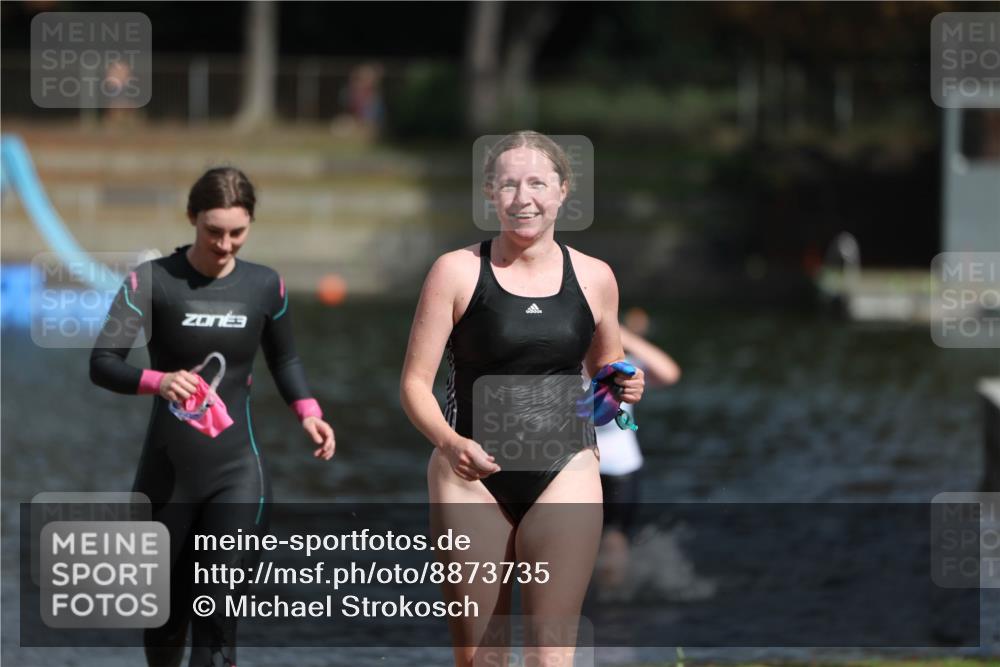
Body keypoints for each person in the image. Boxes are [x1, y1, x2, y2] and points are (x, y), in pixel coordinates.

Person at [400, 131, 644, 667]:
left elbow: (607, 376)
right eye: (508, 184)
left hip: (566, 468)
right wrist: (448, 441)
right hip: (469, 474)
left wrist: (626, 387)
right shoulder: (456, 271)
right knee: (481, 659)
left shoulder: (596, 277)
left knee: (551, 657)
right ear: (490, 192)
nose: (522, 197)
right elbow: (414, 385)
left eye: (537, 183)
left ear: (562, 192)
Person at [90, 167, 335, 667]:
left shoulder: (266, 286)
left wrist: (307, 411)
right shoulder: (151, 280)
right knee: (165, 623)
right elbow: (102, 363)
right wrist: (157, 381)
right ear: (192, 218)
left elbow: (284, 359)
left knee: (219, 614)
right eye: (213, 231)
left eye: (237, 233)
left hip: (236, 474)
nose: (225, 244)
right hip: (167, 478)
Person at [595, 307, 681, 590]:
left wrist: (625, 337)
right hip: (576, 465)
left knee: (614, 538)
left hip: (619, 468)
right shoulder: (567, 362)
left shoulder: (624, 366)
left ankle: (611, 602)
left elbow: (669, 373)